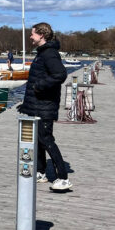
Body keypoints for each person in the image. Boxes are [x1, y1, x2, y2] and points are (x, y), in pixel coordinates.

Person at [18, 22, 72, 191]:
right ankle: (41, 172)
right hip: (36, 105)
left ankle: (63, 177)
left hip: (45, 106)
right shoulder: (42, 53)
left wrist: (40, 86)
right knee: (38, 141)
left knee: (46, 140)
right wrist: (26, 104)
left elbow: (60, 74)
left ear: (41, 35)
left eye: (32, 34)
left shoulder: (49, 53)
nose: (30, 36)